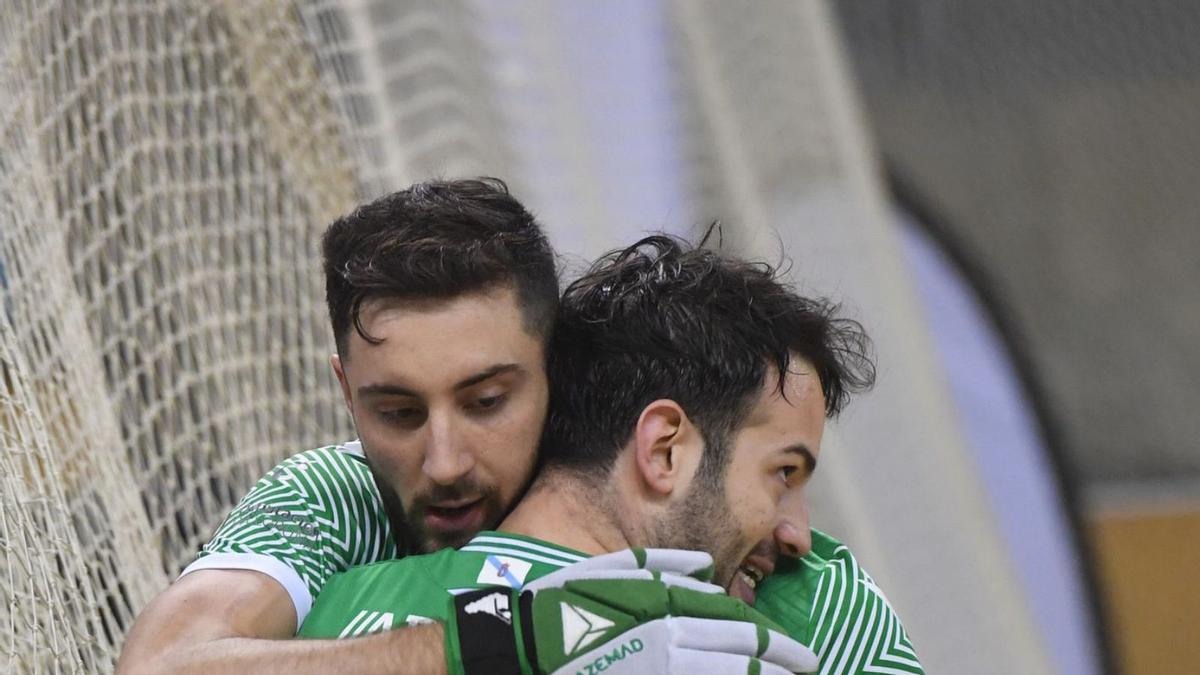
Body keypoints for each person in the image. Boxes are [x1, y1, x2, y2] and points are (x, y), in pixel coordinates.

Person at [116, 179, 922, 674]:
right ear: (346, 393)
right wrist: (509, 639)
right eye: (395, 412)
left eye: (486, 400)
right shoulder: (338, 498)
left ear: (554, 368)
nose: (442, 461)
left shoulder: (800, 588)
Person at [298, 234, 871, 675]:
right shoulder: (728, 639)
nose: (799, 534)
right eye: (783, 473)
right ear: (664, 449)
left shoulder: (341, 610)